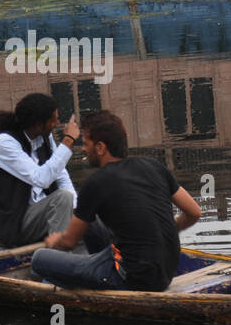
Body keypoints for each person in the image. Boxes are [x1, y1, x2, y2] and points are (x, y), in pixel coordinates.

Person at [32, 109, 201, 292]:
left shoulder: (95, 183)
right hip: (166, 272)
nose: (83, 149)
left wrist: (56, 240)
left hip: (132, 277)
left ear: (101, 148)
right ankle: (96, 263)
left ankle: (84, 275)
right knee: (91, 222)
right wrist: (164, 229)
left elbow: (69, 241)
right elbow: (194, 212)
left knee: (40, 258)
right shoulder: (153, 166)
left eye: (86, 144)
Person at [0, 92, 79, 246]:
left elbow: (60, 174)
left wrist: (75, 210)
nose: (57, 123)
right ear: (38, 125)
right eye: (53, 120)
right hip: (13, 224)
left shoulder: (44, 136)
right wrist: (68, 141)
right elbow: (41, 179)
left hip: (38, 216)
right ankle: (60, 259)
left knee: (82, 208)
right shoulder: (5, 143)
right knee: (62, 198)